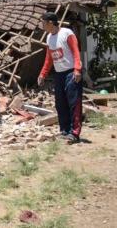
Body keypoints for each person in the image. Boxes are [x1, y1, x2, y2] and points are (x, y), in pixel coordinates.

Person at [37, 12, 83, 144]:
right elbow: (49, 58)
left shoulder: (67, 33)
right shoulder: (49, 37)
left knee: (74, 103)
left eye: (43, 22)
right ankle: (65, 130)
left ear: (50, 23)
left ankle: (75, 133)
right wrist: (43, 74)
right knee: (60, 103)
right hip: (59, 74)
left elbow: (76, 52)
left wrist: (77, 69)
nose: (42, 25)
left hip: (71, 73)